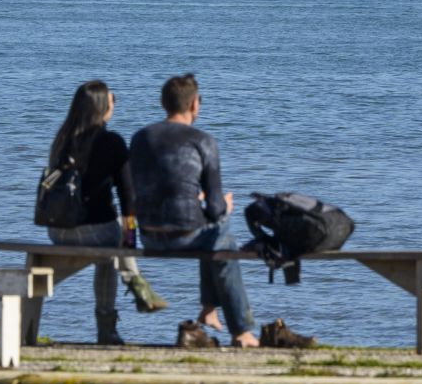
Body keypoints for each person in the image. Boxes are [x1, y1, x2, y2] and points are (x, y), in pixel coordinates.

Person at [23, 81, 166, 346]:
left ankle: (135, 288)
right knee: (114, 248)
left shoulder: (61, 140)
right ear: (102, 107)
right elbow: (128, 196)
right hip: (96, 232)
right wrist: (131, 240)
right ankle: (112, 320)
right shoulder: (111, 142)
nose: (115, 104)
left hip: (58, 231)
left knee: (109, 255)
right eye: (112, 100)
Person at [129, 73, 259, 347]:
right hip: (184, 235)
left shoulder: (139, 138)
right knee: (222, 236)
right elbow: (214, 205)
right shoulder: (203, 141)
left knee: (211, 230)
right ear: (194, 105)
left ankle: (209, 310)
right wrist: (225, 207)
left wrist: (194, 200)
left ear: (163, 103)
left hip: (148, 234)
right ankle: (241, 331)